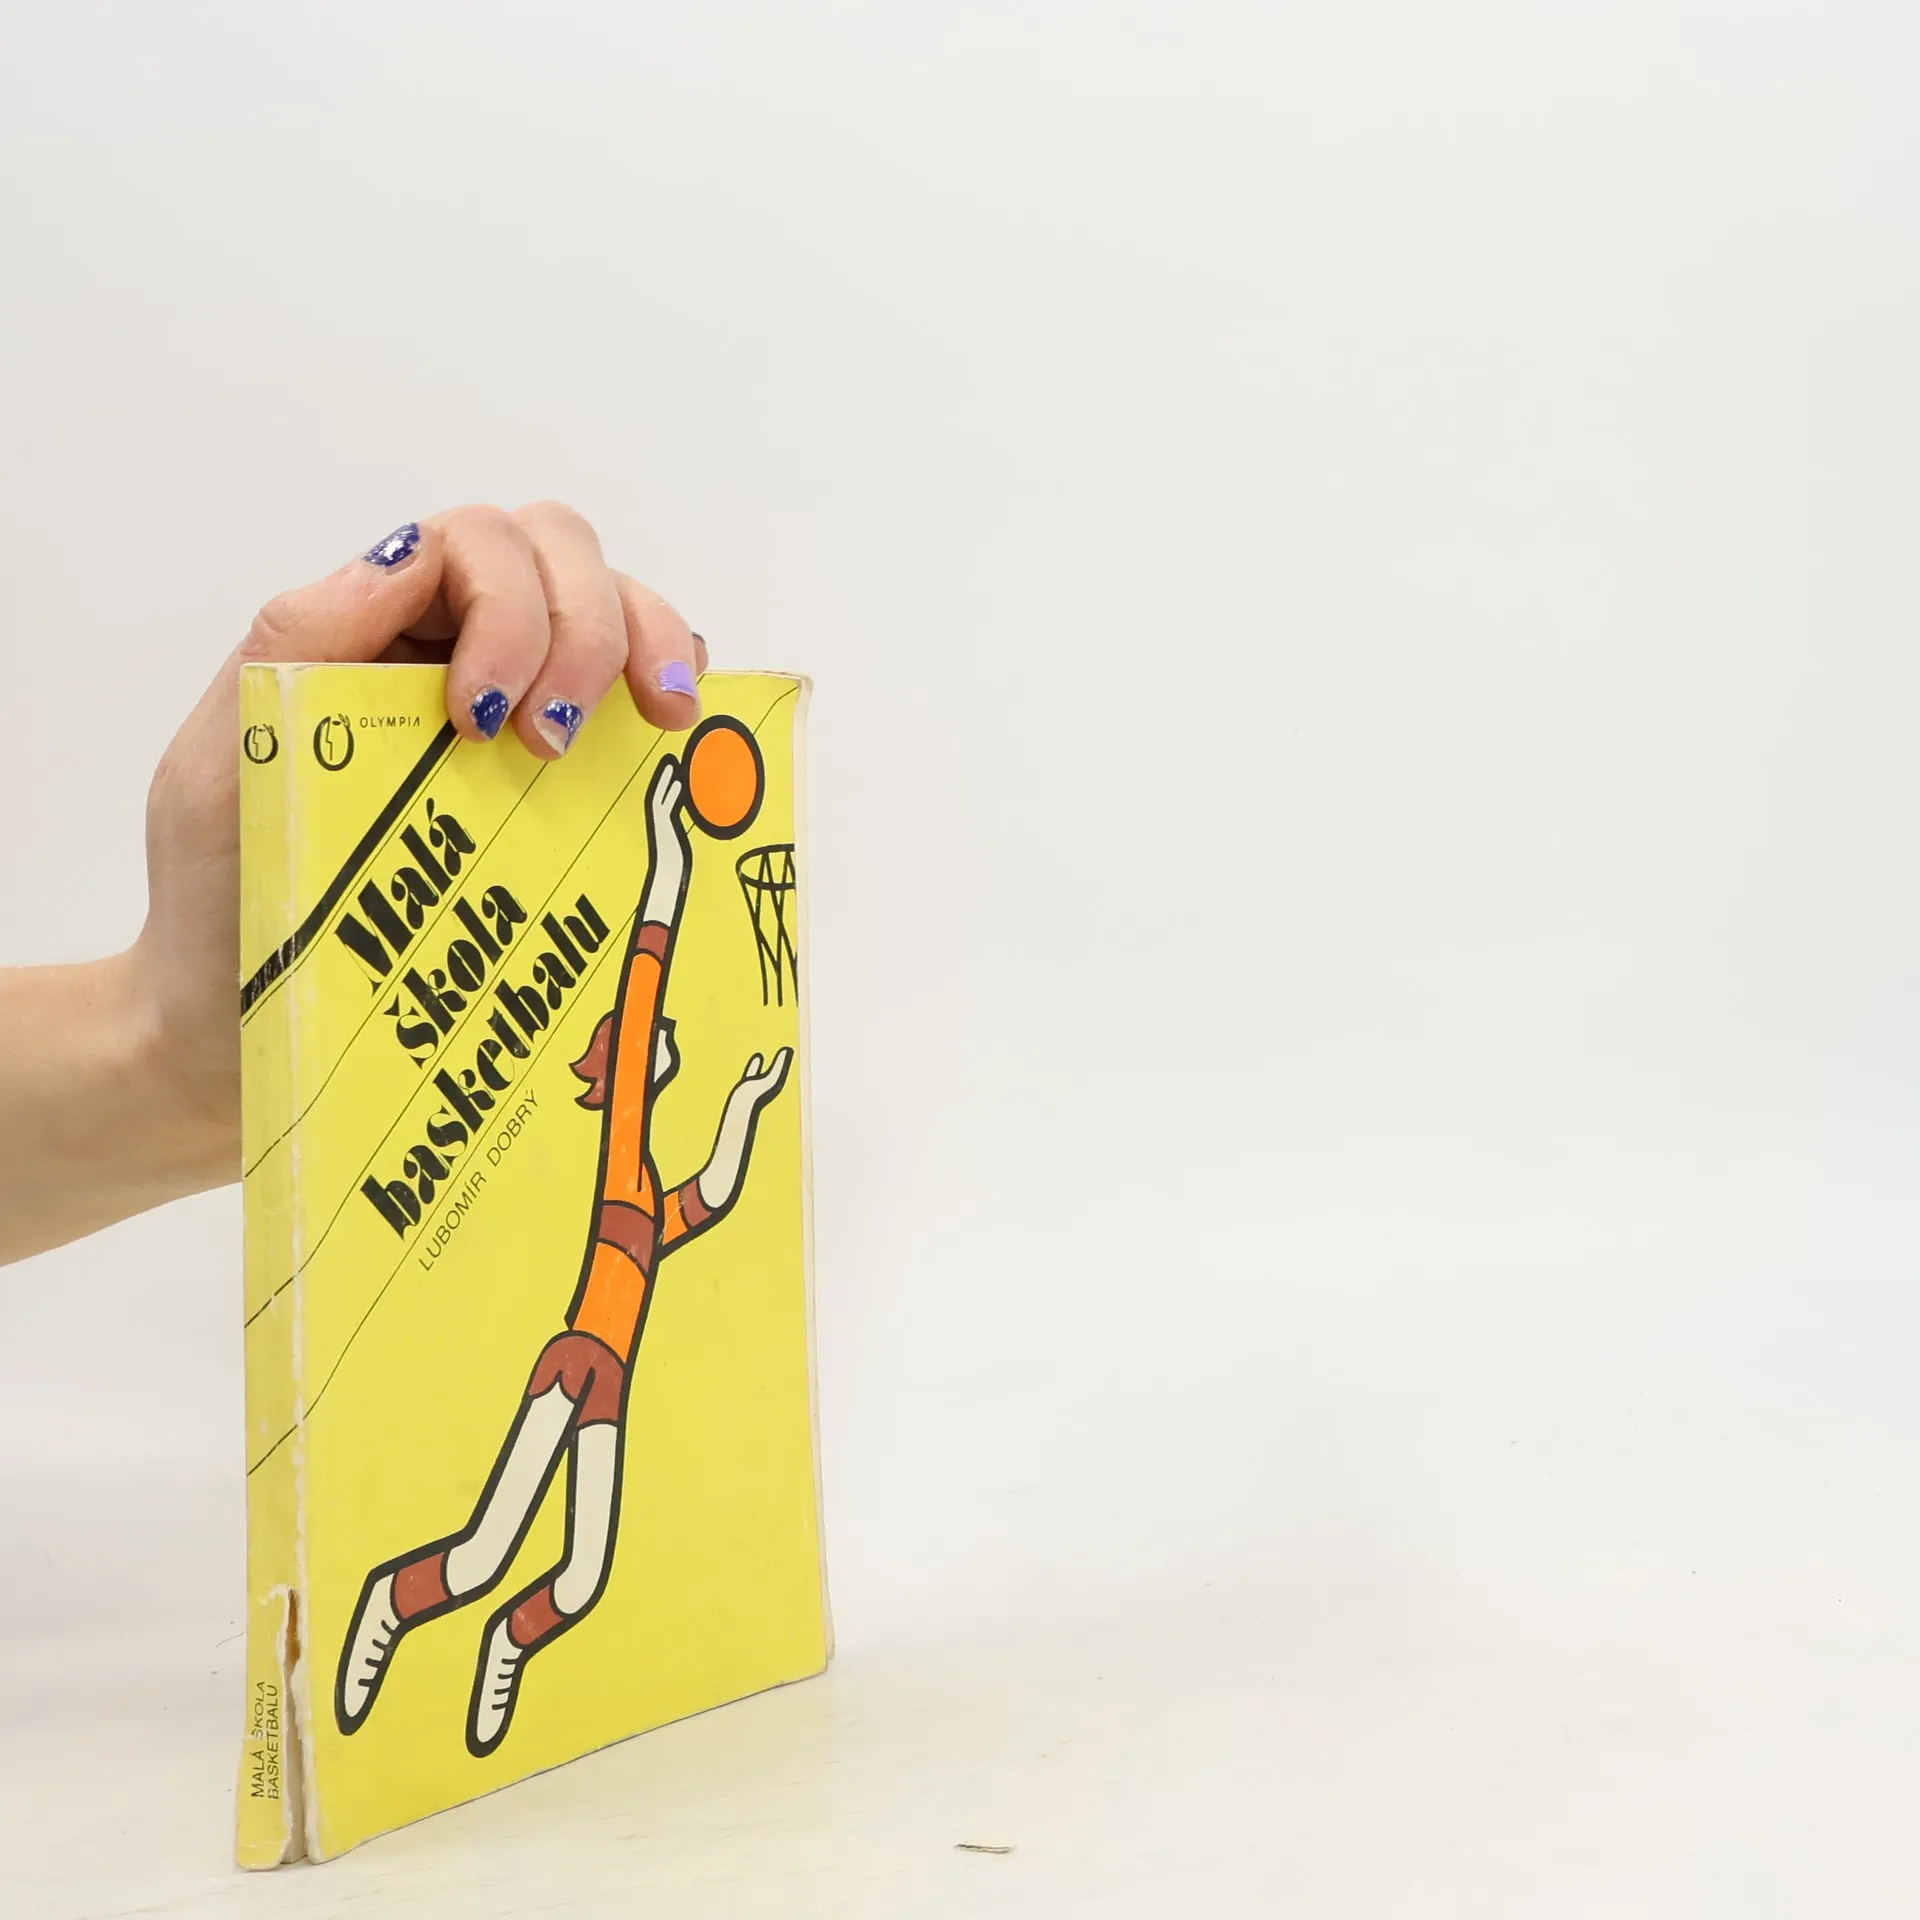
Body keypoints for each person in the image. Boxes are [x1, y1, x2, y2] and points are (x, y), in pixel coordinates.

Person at [0, 503, 708, 1268]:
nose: (656, 1032)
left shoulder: (625, 1166)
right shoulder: (628, 1156)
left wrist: (183, 1052)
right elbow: (650, 966)